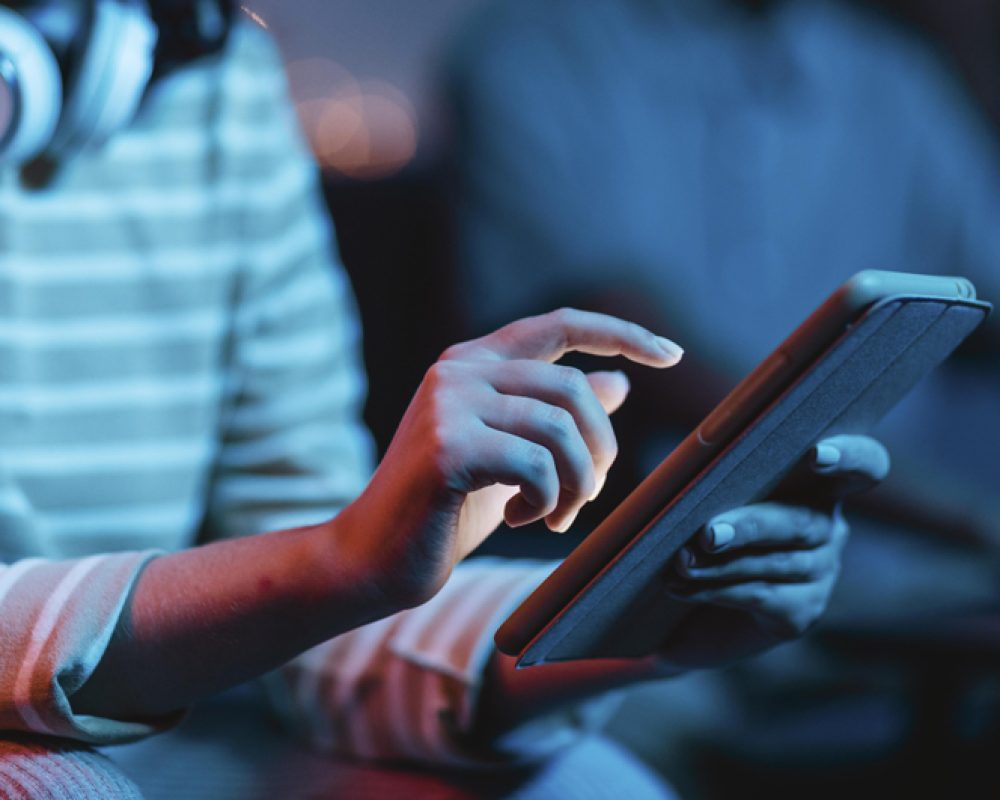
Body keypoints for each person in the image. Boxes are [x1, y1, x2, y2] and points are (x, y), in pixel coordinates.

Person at [0, 2, 889, 797]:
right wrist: (337, 561)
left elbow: (312, 619)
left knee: (590, 785)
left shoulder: (214, 72)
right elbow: (322, 570)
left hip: (198, 734)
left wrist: (628, 621)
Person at [447, 0, 1000, 789]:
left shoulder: (892, 74)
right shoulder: (538, 52)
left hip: (896, 587)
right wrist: (966, 518)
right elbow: (629, 351)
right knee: (585, 763)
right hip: (626, 600)